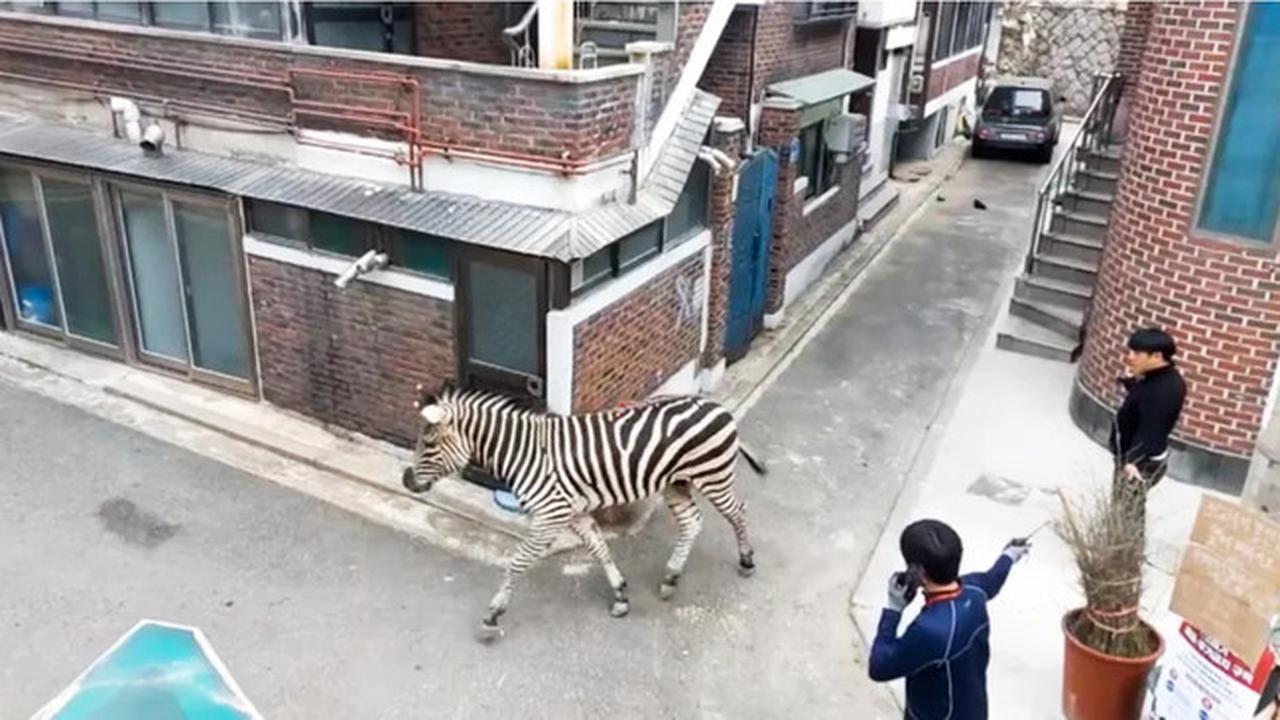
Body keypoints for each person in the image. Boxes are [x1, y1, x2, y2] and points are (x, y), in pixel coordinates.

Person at [868, 519, 1029, 720]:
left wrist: (893, 609)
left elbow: (879, 667)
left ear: (919, 572)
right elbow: (993, 579)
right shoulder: (974, 589)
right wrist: (1010, 555)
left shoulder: (931, 631)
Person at [1111, 327, 1186, 494]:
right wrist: (1132, 384)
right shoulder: (1160, 378)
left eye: (1137, 354)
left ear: (1157, 356)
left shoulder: (1162, 391)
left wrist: (1132, 461)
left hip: (1141, 462)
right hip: (1136, 455)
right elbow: (1145, 401)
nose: (1130, 358)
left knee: (1125, 512)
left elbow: (1152, 429)